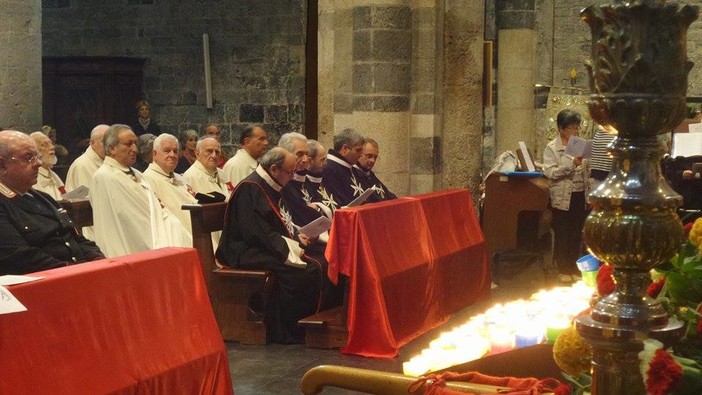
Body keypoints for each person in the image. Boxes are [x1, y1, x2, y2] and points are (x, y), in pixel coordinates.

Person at [216, 147, 339, 343]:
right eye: (289, 172)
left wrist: (299, 236)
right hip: (244, 250)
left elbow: (282, 221)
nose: (291, 177)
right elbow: (257, 232)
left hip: (265, 245)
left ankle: (315, 321)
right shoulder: (251, 188)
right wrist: (293, 246)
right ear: (274, 169)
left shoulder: (272, 184)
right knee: (305, 270)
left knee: (323, 259)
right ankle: (290, 330)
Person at [0, 130, 104, 275]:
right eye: (28, 157)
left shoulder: (43, 198)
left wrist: (100, 262)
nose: (38, 163)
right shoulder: (4, 203)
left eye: (37, 156)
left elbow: (76, 238)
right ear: (2, 164)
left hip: (75, 274)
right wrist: (75, 270)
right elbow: (21, 257)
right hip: (42, 284)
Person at [90, 124, 191, 258]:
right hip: (129, 247)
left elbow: (156, 207)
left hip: (159, 233)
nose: (135, 149)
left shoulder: (138, 174)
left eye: (135, 144)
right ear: (112, 148)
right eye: (128, 144)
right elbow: (130, 218)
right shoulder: (104, 177)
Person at [543, 109, 590, 283]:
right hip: (562, 197)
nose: (574, 132)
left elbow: (586, 171)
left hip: (579, 195)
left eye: (576, 128)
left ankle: (574, 267)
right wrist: (571, 164)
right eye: (570, 128)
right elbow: (550, 173)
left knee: (577, 233)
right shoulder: (552, 147)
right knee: (563, 232)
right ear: (561, 128)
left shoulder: (581, 144)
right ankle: (563, 268)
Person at [142, 133, 198, 232]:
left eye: (175, 151)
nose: (172, 155)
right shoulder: (147, 179)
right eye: (167, 151)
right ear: (154, 154)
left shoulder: (180, 178)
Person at [321, 128, 365, 209]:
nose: (361, 154)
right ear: (345, 149)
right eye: (358, 150)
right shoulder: (329, 168)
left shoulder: (352, 168)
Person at [65, 124, 109, 191]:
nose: (109, 146)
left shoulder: (110, 162)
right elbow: (85, 198)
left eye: (112, 142)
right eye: (105, 142)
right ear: (92, 143)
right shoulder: (82, 165)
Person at [353, 137, 397, 202]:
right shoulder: (351, 174)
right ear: (360, 154)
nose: (372, 160)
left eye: (375, 157)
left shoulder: (371, 176)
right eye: (369, 156)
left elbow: (388, 195)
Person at [29, 131, 65, 200]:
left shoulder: (52, 174)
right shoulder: (32, 177)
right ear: (34, 151)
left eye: (51, 143)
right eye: (45, 144)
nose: (52, 147)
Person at [304, 139, 334, 217]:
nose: (326, 163)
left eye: (325, 159)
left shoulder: (327, 177)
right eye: (322, 160)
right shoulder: (304, 183)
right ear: (310, 161)